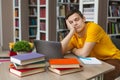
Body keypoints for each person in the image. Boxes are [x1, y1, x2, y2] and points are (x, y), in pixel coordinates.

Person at [61, 9, 120, 80]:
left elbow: (84, 53)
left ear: (83, 19)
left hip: (112, 59)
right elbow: (60, 50)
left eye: (76, 20)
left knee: (102, 77)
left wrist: (73, 50)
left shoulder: (93, 28)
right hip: (95, 61)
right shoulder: (74, 35)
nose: (74, 24)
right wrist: (71, 32)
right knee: (77, 74)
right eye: (71, 22)